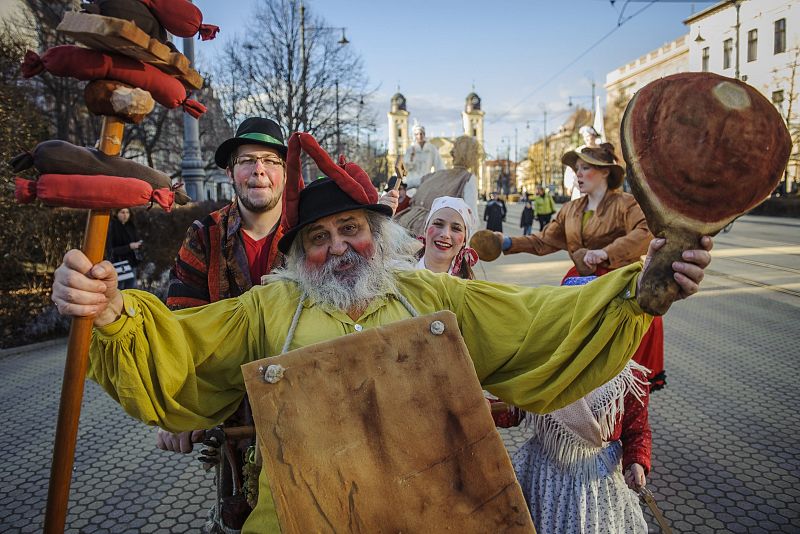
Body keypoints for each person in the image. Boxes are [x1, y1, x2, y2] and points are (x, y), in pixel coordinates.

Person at [51, 132, 712, 534]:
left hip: (436, 516)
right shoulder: (268, 309)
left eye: (350, 229)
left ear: (378, 235)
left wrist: (637, 288)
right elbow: (184, 347)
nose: (337, 247)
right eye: (317, 238)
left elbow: (538, 321)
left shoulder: (428, 293)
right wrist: (112, 312)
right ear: (296, 253)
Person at [158, 116, 296, 531]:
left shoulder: (310, 234)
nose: (259, 170)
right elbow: (182, 326)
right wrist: (180, 410)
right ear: (230, 171)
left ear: (286, 174)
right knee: (238, 515)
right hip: (232, 415)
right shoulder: (205, 235)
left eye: (270, 160)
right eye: (248, 160)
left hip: (304, 407)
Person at [496, 142, 667, 390]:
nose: (578, 173)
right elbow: (544, 241)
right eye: (577, 168)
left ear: (606, 172)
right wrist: (507, 242)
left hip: (622, 287)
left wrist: (605, 252)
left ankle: (624, 415)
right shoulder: (572, 209)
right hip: (582, 287)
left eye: (585, 167)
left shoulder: (626, 203)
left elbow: (645, 232)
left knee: (622, 374)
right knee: (579, 365)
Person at [512, 275, 653, 533]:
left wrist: (637, 462)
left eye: (595, 319)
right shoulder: (541, 369)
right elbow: (511, 408)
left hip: (597, 483)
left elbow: (638, 430)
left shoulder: (628, 378)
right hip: (544, 476)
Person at [394, 135, 481, 236]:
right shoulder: (439, 174)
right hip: (407, 227)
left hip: (427, 235)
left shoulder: (467, 178)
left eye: (456, 149)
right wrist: (398, 184)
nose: (451, 153)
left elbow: (472, 218)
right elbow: (411, 182)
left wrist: (464, 247)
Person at [416, 196, 477, 279]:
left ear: (464, 241)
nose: (445, 234)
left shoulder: (466, 289)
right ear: (426, 228)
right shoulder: (398, 274)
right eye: (438, 224)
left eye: (456, 228)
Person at [105, 207, 142, 290]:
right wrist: (129, 247)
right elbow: (111, 249)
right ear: (117, 214)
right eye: (122, 212)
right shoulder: (112, 227)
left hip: (132, 262)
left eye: (127, 212)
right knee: (119, 288)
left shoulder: (131, 226)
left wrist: (138, 245)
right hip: (118, 263)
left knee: (131, 289)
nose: (125, 215)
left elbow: (137, 240)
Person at [403, 123, 445, 188]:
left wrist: (440, 179)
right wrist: (412, 157)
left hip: (426, 181)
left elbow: (439, 164)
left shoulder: (431, 148)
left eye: (421, 133)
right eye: (417, 134)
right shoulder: (410, 149)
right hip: (411, 182)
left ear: (424, 134)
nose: (419, 136)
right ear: (414, 136)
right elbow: (406, 168)